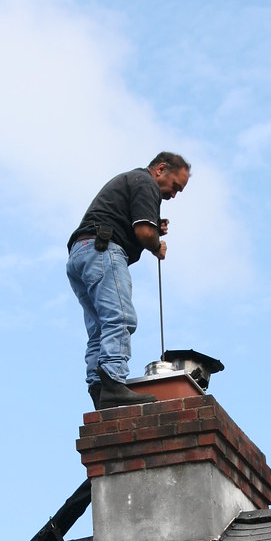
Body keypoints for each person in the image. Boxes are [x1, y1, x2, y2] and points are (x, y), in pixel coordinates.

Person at [67, 151, 191, 409]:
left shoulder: (132, 181)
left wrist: (154, 224)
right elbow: (144, 232)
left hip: (81, 254)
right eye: (175, 186)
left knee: (99, 329)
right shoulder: (146, 183)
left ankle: (100, 391)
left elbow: (134, 221)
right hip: (103, 251)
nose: (174, 194)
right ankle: (114, 383)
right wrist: (156, 245)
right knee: (120, 318)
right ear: (160, 169)